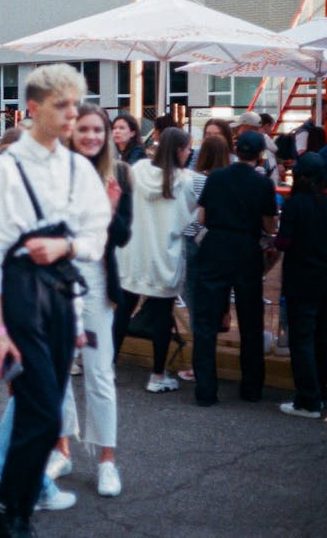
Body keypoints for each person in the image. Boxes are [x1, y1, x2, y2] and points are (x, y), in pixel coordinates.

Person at [0, 64, 110, 538]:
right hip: (18, 291)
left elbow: (96, 236)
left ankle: (9, 516)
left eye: (76, 103)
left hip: (59, 289)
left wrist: (65, 249)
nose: (73, 114)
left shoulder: (77, 169)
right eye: (62, 105)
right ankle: (12, 513)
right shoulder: (6, 168)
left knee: (40, 411)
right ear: (33, 109)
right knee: (45, 409)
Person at [58, 102, 131, 495]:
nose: (91, 136)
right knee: (56, 371)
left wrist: (111, 208)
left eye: (98, 131)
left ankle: (107, 461)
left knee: (100, 373)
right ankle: (62, 449)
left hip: (98, 285)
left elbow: (122, 236)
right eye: (84, 129)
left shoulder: (118, 174)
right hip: (56, 283)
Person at [192, 131, 278, 406]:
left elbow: (202, 216)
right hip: (246, 249)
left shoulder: (216, 177)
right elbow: (269, 226)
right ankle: (251, 388)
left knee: (206, 321)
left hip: (215, 246)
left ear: (236, 150)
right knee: (251, 320)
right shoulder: (263, 184)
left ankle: (205, 391)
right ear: (260, 155)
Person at [114, 127, 198, 393]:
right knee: (162, 318)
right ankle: (157, 375)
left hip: (131, 254)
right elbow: (189, 219)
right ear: (178, 151)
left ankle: (108, 367)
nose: (189, 153)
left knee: (122, 313)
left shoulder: (137, 170)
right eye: (187, 149)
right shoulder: (184, 180)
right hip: (163, 257)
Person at [275, 153, 327, 418]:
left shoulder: (294, 205)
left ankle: (308, 400)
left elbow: (283, 242)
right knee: (321, 337)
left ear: (301, 177)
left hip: (301, 280)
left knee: (302, 339)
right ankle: (321, 391)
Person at [178, 135, 232, 383]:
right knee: (212, 302)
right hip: (221, 248)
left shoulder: (196, 180)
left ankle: (199, 365)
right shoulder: (229, 181)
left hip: (193, 243)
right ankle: (205, 364)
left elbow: (198, 218)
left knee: (194, 304)